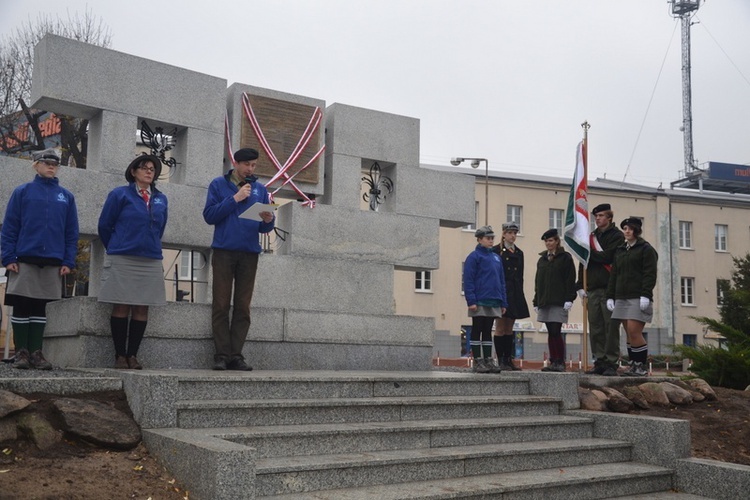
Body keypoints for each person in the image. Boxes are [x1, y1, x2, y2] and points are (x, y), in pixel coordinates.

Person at [1, 148, 79, 370]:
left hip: (53, 262)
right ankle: (21, 353)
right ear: (35, 165)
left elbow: (71, 232)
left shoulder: (66, 197)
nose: (51, 166)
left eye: (55, 164)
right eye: (46, 163)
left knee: (40, 309)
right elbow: (10, 227)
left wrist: (68, 260)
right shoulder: (22, 192)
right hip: (23, 259)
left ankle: (36, 352)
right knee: (22, 305)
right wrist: (7, 256)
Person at [203, 148, 275, 371]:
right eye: (247, 165)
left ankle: (236, 355)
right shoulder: (218, 184)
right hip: (224, 251)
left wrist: (269, 219)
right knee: (221, 304)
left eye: (254, 165)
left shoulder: (260, 189)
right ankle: (221, 355)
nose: (250, 169)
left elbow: (265, 227)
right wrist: (235, 198)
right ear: (236, 163)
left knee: (243, 307)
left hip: (249, 253)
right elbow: (209, 216)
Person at [98, 154, 168, 369]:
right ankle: (120, 355)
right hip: (123, 256)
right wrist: (117, 246)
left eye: (152, 169)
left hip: (150, 258)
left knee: (141, 307)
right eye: (144, 168)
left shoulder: (160, 198)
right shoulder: (120, 194)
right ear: (133, 172)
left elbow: (160, 228)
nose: (149, 171)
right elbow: (104, 225)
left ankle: (133, 355)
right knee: (121, 305)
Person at [576, 204, 624, 376]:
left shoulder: (616, 236)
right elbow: (583, 262)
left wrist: (588, 253)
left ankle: (611, 362)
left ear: (609, 218)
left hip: (609, 288)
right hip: (593, 288)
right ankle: (599, 360)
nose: (598, 219)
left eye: (601, 215)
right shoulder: (590, 237)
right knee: (595, 327)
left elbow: (609, 256)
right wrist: (580, 285)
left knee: (610, 327)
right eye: (596, 216)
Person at [607, 217, 658, 377]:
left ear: (637, 230)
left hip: (638, 296)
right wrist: (610, 296)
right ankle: (633, 364)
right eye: (625, 228)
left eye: (630, 228)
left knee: (634, 331)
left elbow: (649, 274)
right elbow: (614, 274)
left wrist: (646, 294)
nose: (626, 231)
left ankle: (640, 365)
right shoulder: (621, 250)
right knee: (628, 333)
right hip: (621, 296)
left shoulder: (645, 249)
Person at [463, 225, 507, 374]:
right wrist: (471, 300)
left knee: (488, 330)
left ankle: (488, 359)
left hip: (494, 300)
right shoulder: (474, 257)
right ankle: (477, 360)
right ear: (479, 239)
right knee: (477, 329)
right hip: (480, 300)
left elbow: (501, 281)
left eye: (492, 238)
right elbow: (468, 279)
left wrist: (503, 301)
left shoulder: (496, 257)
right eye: (488, 238)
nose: (491, 241)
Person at [533, 228, 576, 372]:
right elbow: (538, 281)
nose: (548, 243)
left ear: (557, 241)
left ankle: (560, 360)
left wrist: (570, 298)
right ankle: (553, 360)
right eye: (546, 241)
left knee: (556, 330)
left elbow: (570, 279)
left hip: (559, 300)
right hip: (545, 300)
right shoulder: (543, 259)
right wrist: (536, 300)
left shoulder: (565, 258)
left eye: (550, 240)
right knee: (550, 331)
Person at [492, 222, 530, 370]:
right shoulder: (497, 251)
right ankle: (501, 359)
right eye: (510, 233)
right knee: (500, 326)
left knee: (510, 327)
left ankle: (508, 359)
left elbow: (520, 276)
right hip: (502, 291)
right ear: (503, 233)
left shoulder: (519, 253)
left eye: (515, 233)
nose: (513, 236)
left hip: (515, 291)